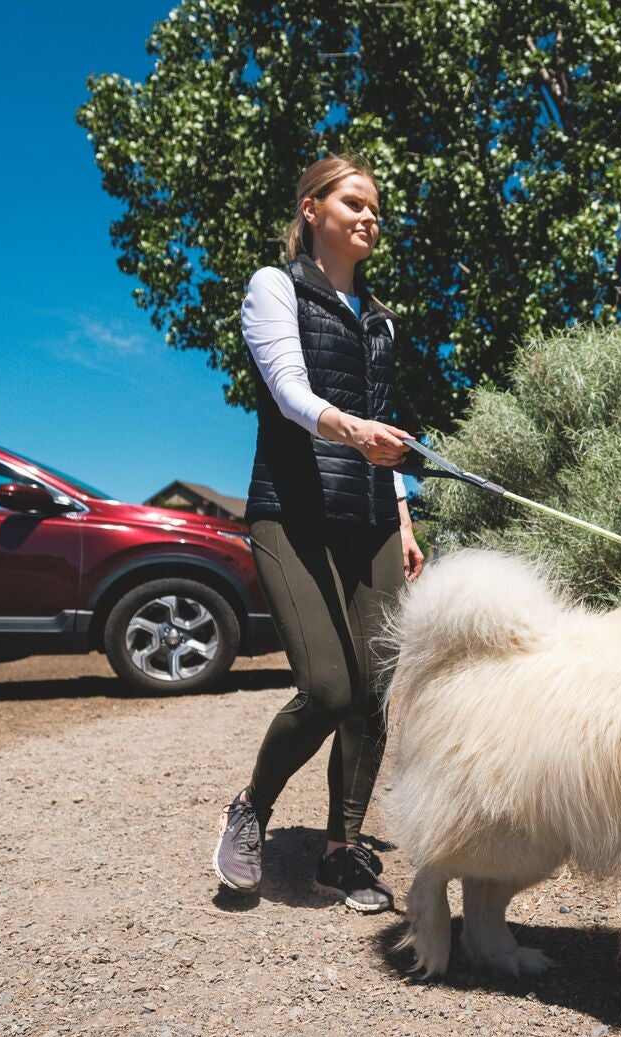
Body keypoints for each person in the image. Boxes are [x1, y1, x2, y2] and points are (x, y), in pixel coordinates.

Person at [211, 153, 423, 912]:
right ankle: (252, 809)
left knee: (377, 691)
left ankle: (341, 851)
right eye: (355, 202)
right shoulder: (275, 287)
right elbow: (289, 391)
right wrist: (353, 430)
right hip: (292, 511)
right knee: (330, 688)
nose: (371, 218)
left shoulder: (382, 319)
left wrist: (402, 516)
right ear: (312, 209)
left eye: (377, 210)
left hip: (371, 518)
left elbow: (385, 429)